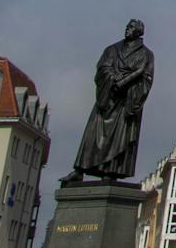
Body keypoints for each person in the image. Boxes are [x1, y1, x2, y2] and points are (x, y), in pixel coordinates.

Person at [65, 19, 155, 182]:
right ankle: (79, 170)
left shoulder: (146, 54)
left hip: (126, 102)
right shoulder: (112, 49)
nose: (128, 29)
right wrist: (113, 78)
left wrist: (130, 87)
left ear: (139, 32)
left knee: (119, 137)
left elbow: (147, 78)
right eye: (127, 26)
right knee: (92, 134)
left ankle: (111, 170)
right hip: (108, 98)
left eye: (132, 27)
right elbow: (103, 68)